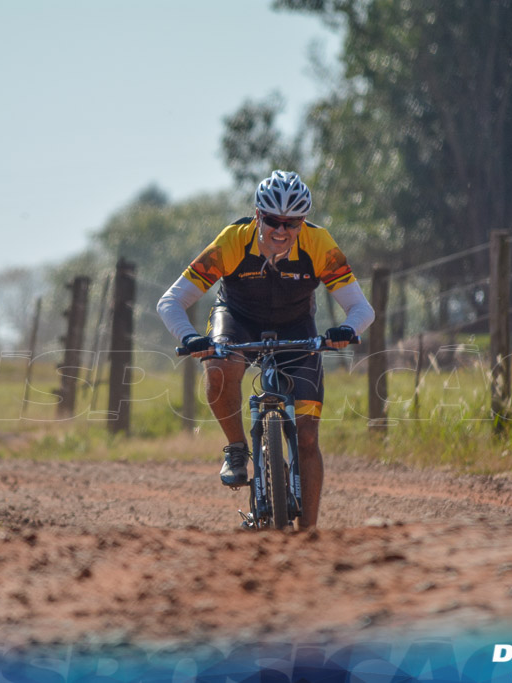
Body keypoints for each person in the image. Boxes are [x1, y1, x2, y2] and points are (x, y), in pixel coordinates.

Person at [157, 170, 375, 529]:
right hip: (237, 317)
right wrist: (190, 338)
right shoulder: (232, 240)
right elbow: (171, 302)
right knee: (219, 363)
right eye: (273, 220)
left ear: (303, 222)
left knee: (306, 435)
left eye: (292, 223)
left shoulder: (319, 244)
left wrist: (346, 330)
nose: (281, 230)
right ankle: (238, 449)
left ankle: (308, 534)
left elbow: (362, 309)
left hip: (296, 326)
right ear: (257, 214)